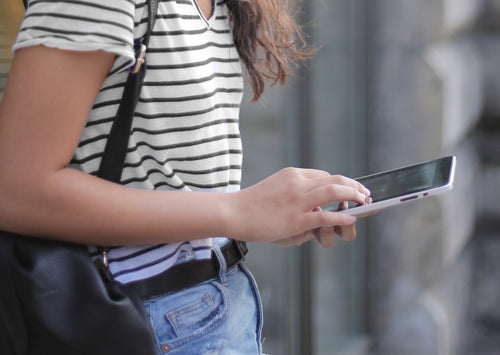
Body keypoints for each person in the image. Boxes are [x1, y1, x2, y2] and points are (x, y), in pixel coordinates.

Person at [0, 0, 371, 353]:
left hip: (213, 304)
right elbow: (16, 189)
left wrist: (266, 217)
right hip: (134, 316)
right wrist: (237, 212)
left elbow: (161, 176)